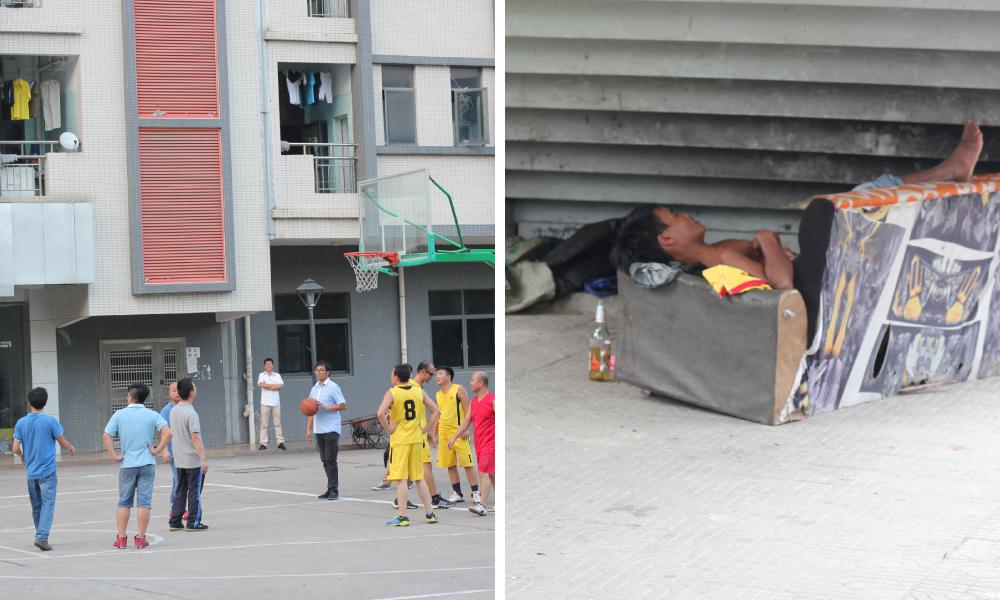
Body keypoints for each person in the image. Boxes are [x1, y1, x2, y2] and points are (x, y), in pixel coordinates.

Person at [611, 120, 985, 340]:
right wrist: (769, 240)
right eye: (676, 215)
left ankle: (948, 173)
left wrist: (765, 249)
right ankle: (948, 172)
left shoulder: (720, 254)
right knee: (849, 200)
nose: (686, 214)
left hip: (814, 277)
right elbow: (782, 286)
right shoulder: (721, 260)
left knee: (861, 196)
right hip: (816, 290)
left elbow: (767, 271)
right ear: (668, 239)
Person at [373, 360, 454, 509]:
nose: (433, 376)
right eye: (431, 373)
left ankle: (402, 504)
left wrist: (390, 427)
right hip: (414, 435)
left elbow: (384, 411)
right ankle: (433, 502)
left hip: (404, 436)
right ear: (422, 372)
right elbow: (435, 410)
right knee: (422, 471)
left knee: (407, 473)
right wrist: (426, 429)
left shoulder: (399, 389)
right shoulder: (416, 389)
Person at [103, 383, 171, 550]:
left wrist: (114, 455)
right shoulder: (152, 414)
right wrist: (157, 450)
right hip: (147, 462)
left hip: (127, 464)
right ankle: (140, 538)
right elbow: (168, 433)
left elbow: (106, 436)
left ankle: (121, 538)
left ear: (130, 397)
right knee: (144, 503)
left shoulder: (119, 414)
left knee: (124, 502)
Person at [11, 387, 75, 551]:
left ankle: (40, 533)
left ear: (29, 402)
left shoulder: (21, 423)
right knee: (48, 504)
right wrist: (70, 448)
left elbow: (15, 448)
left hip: (31, 472)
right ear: (45, 403)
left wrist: (22, 455)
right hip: (47, 471)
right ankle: (41, 536)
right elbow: (62, 442)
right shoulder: (50, 421)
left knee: (37, 505)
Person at [449, 372, 495, 516]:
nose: (470, 383)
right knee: (492, 474)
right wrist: (455, 437)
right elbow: (466, 421)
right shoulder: (474, 402)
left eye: (472, 380)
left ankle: (481, 505)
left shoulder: (493, 400)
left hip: (491, 443)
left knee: (483, 472)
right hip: (479, 444)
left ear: (481, 383)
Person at [168, 378, 209, 532]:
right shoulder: (191, 414)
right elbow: (195, 438)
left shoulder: (174, 410)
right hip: (192, 459)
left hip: (179, 458)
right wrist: (203, 459)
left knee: (180, 489)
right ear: (191, 392)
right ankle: (193, 521)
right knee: (194, 491)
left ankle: (175, 520)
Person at [435, 366, 479, 505]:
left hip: (459, 432)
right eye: (436, 374)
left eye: (440, 373)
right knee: (450, 464)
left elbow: (468, 409)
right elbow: (439, 414)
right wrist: (434, 434)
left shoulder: (458, 389)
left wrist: (466, 428)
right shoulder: (438, 394)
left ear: (449, 377)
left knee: (467, 463)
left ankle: (476, 492)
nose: (437, 376)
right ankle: (458, 493)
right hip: (444, 432)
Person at [305, 360, 348, 500]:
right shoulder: (314, 388)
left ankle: (334, 490)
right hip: (319, 428)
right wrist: (309, 428)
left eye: (321, 370)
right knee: (324, 460)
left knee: (331, 459)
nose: (318, 372)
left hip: (331, 428)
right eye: (316, 370)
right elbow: (310, 410)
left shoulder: (333, 387)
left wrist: (327, 407)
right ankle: (330, 489)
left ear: (328, 372)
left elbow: (343, 405)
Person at [160, 382, 187, 523]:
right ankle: (176, 509)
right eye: (173, 390)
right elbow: (163, 432)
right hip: (172, 450)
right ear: (169, 393)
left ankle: (176, 507)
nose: (177, 393)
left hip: (184, 450)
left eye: (179, 390)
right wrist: (164, 450)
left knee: (179, 479)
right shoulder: (166, 410)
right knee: (179, 479)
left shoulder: (185, 407)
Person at [257, 357, 286, 451]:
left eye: (270, 364)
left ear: (273, 365)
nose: (268, 365)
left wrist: (268, 386)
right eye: (266, 364)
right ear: (264, 366)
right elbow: (262, 384)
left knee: (277, 423)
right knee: (264, 424)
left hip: (276, 403)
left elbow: (281, 385)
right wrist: (274, 386)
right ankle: (263, 443)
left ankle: (280, 442)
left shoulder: (277, 375)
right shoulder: (261, 375)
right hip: (265, 403)